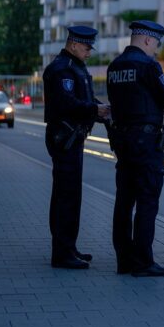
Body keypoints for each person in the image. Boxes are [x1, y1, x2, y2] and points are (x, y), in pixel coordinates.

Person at [107, 20, 164, 277]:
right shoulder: (148, 65)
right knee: (147, 201)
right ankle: (143, 262)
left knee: (123, 201)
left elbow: (130, 101)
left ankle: (124, 260)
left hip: (122, 141)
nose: (155, 49)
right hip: (146, 145)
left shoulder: (114, 67)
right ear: (148, 40)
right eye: (156, 44)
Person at [43, 26, 110, 269]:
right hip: (65, 138)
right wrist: (94, 110)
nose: (89, 51)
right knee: (66, 197)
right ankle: (61, 253)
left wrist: (101, 110)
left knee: (70, 195)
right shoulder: (63, 69)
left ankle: (68, 247)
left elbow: (85, 99)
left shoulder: (74, 67)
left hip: (73, 137)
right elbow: (67, 103)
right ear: (73, 44)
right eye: (86, 46)